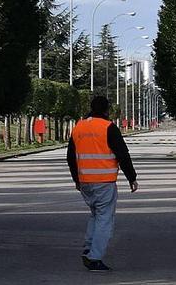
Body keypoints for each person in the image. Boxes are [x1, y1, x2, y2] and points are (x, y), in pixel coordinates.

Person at [67, 96, 138, 272]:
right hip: (104, 182)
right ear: (106, 110)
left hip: (85, 182)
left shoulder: (79, 127)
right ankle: (95, 258)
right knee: (104, 220)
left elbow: (70, 157)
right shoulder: (108, 128)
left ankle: (88, 248)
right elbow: (123, 154)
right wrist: (132, 178)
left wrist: (76, 179)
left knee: (95, 216)